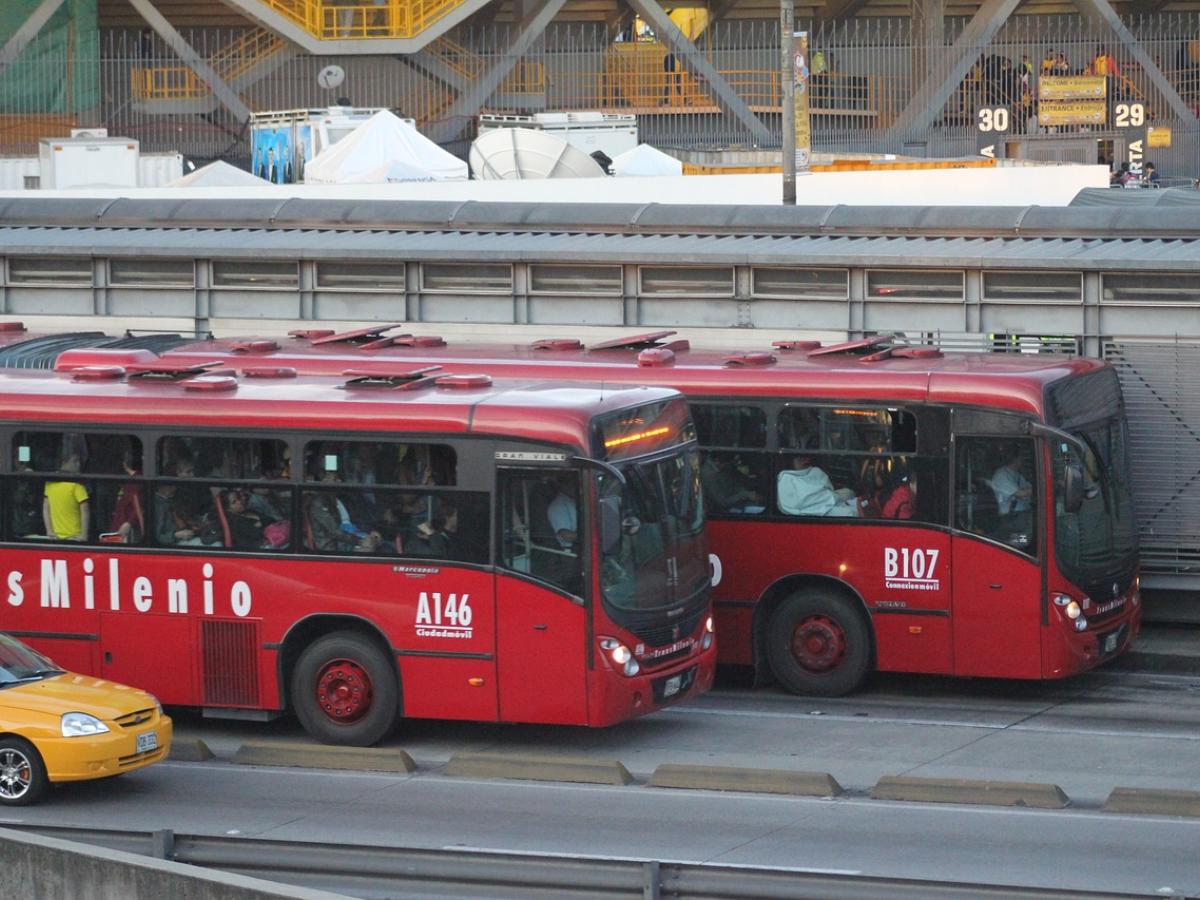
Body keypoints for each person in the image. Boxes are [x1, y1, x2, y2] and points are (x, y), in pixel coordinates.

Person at [777, 455, 857, 517]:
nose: (804, 461)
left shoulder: (816, 471)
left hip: (831, 503)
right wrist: (830, 498)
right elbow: (793, 505)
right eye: (800, 459)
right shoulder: (786, 478)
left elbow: (828, 491)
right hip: (815, 512)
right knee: (850, 513)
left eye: (806, 457)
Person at [43, 450, 89, 541]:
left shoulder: (50, 482)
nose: (78, 464)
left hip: (62, 536)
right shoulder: (77, 485)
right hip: (74, 536)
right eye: (75, 461)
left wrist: (49, 531)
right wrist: (84, 535)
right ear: (64, 462)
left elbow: (45, 508)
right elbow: (85, 511)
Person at [108, 448, 143, 542]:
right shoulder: (126, 479)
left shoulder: (136, 481)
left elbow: (138, 506)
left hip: (128, 531)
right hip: (119, 527)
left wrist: (129, 523)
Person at [991, 447, 1033, 516]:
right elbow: (1020, 493)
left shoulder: (1018, 475)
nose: (1024, 460)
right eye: (1022, 457)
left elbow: (1027, 491)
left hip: (1022, 514)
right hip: (1010, 517)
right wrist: (1042, 488)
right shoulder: (1001, 475)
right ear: (1016, 459)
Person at [547, 478, 577, 549]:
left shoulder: (571, 501)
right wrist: (590, 537)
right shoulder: (558, 505)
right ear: (563, 485)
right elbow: (565, 535)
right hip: (569, 552)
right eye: (572, 484)